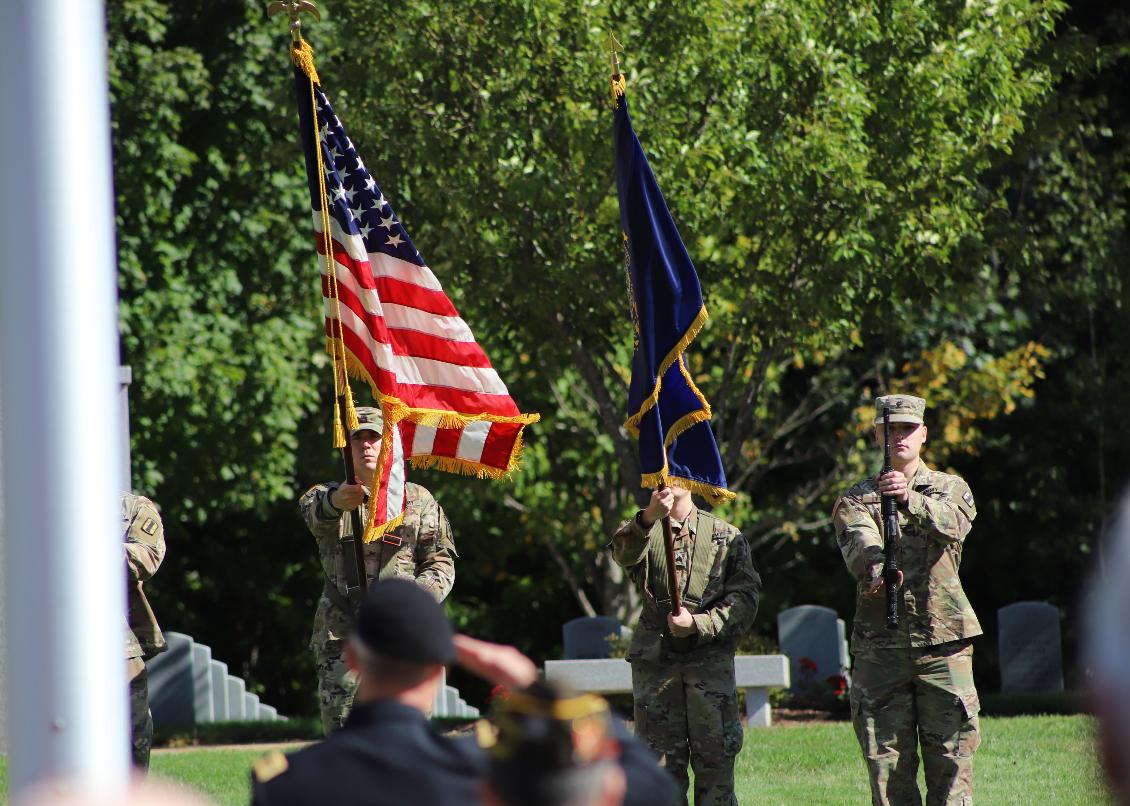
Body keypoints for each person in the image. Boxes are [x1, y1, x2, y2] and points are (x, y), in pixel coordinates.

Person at [251, 581, 677, 806]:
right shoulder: (480, 769)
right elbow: (650, 789)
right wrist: (533, 686)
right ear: (440, 668)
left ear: (353, 659)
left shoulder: (285, 783)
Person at [832, 394, 981, 806]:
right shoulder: (854, 499)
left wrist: (907, 500)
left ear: (923, 435)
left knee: (952, 764)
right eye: (890, 429)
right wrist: (880, 569)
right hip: (882, 650)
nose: (898, 436)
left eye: (907, 429)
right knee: (888, 771)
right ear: (876, 434)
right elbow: (862, 546)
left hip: (943, 644)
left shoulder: (951, 488)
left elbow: (954, 526)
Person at [299, 406, 457, 733]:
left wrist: (410, 606)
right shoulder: (328, 495)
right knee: (345, 740)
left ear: (390, 445)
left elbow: (440, 562)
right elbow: (315, 512)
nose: (366, 445)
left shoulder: (419, 500)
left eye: (375, 437)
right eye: (358, 439)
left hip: (402, 635)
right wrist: (337, 501)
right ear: (347, 447)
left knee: (405, 737)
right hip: (344, 637)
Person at [611, 485, 761, 805]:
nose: (669, 473)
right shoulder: (641, 530)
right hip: (658, 669)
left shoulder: (725, 535)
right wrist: (650, 517)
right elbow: (622, 554)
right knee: (659, 771)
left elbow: (746, 599)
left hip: (709, 668)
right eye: (664, 463)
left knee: (716, 765)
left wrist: (698, 623)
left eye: (678, 463)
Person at [123, 492, 167, 770]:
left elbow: (147, 558)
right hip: (48, 641)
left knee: (133, 738)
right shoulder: (37, 508)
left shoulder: (132, 507)